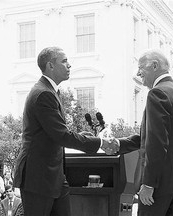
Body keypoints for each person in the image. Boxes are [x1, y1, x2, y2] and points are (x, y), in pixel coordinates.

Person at [13, 47, 106, 216]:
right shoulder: (43, 94)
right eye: (64, 61)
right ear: (51, 65)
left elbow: (55, 130)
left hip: (55, 176)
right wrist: (101, 143)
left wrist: (82, 136)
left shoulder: (52, 91)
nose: (69, 65)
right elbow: (61, 135)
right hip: (38, 176)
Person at [103, 49, 173, 216]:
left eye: (141, 67)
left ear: (154, 66)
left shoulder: (157, 93)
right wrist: (119, 143)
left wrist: (149, 184)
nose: (138, 73)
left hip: (160, 185)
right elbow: (156, 136)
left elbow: (157, 142)